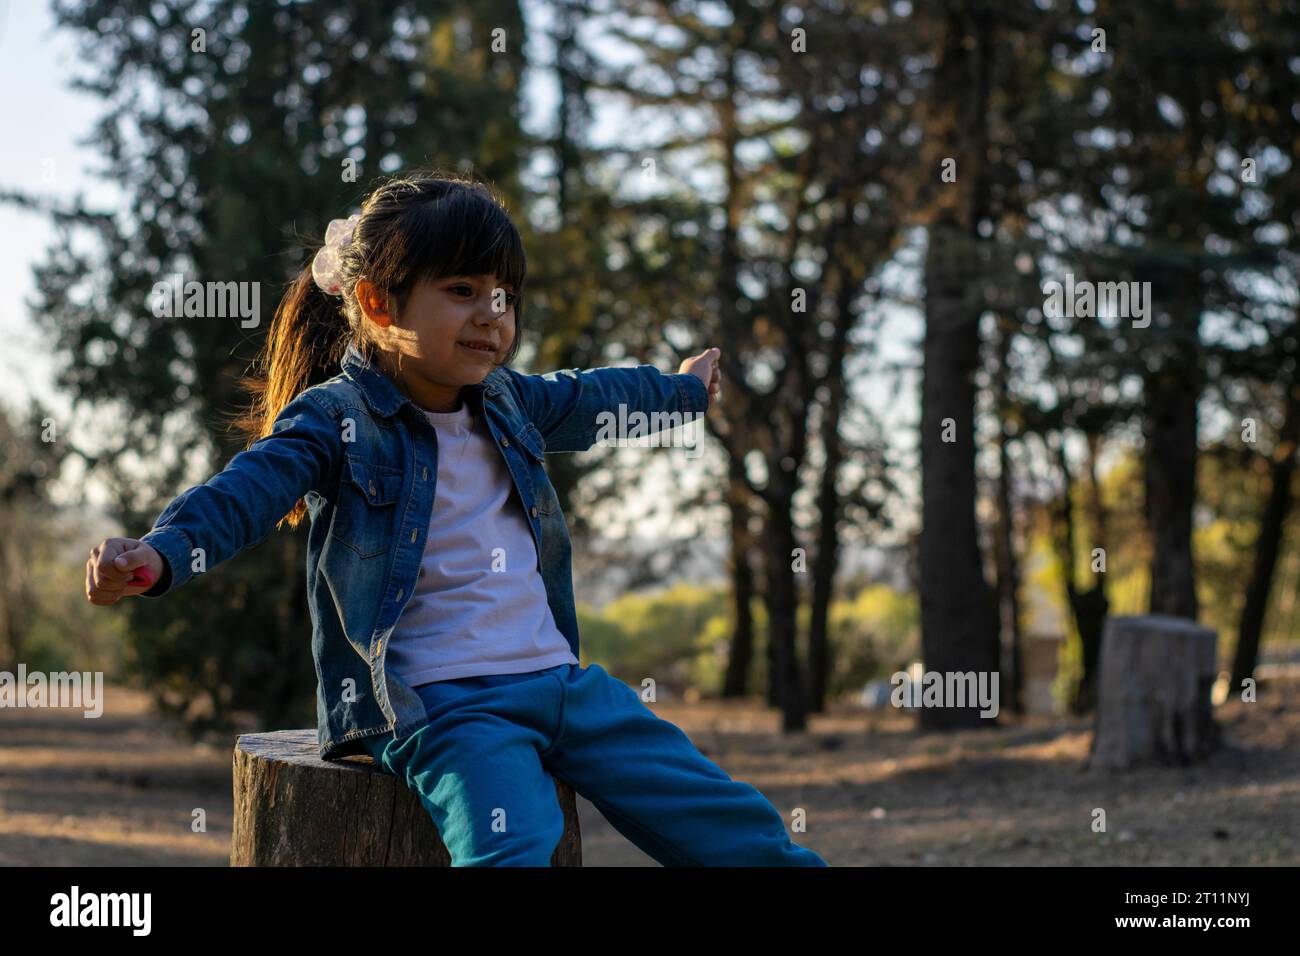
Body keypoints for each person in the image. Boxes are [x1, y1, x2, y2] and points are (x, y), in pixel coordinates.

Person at [84, 171, 827, 867]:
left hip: (563, 685)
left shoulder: (509, 401)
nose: (491, 315)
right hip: (441, 707)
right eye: (464, 290)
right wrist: (163, 552)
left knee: (724, 819)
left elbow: (593, 397)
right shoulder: (336, 420)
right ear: (378, 304)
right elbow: (246, 491)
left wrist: (678, 391)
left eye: (505, 295)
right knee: (515, 842)